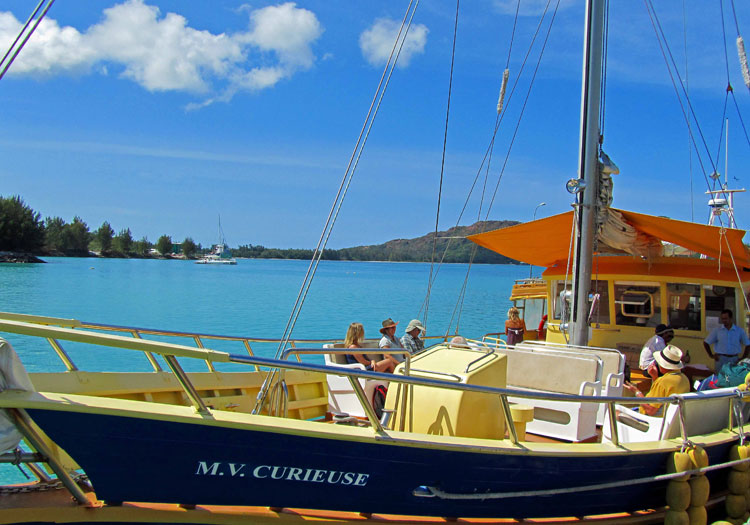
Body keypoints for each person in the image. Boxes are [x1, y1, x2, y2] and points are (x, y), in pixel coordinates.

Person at [624, 345, 690, 416]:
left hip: (652, 420)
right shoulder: (684, 379)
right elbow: (660, 395)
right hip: (672, 418)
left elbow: (650, 411)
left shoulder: (663, 381)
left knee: (615, 413)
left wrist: (636, 392)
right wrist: (655, 377)